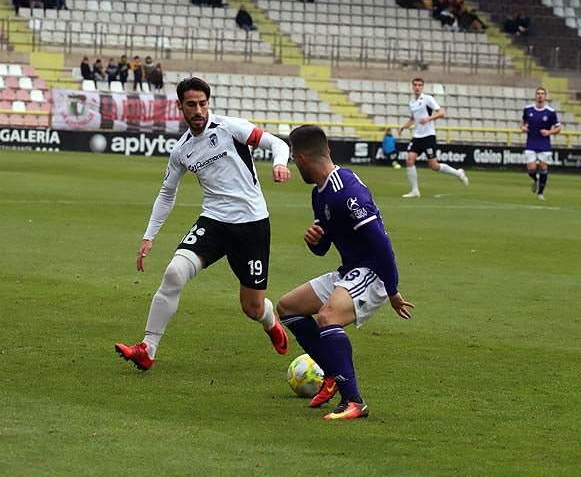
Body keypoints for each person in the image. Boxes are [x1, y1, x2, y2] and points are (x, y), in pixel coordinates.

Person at [115, 77, 292, 371]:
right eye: (191, 104)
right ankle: (148, 348)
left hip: (251, 225)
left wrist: (279, 163)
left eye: (203, 103)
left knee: (252, 307)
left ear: (208, 104)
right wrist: (149, 236)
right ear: (180, 107)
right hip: (214, 222)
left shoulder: (231, 127)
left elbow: (276, 143)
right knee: (174, 273)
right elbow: (166, 193)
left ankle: (269, 320)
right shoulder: (181, 150)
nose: (198, 110)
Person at [276, 125, 414, 420]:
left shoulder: (346, 191)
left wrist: (392, 290)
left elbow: (381, 242)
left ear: (301, 158)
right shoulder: (320, 193)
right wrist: (315, 240)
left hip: (372, 272)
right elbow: (323, 247)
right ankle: (332, 373)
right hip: (349, 270)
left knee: (328, 317)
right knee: (288, 307)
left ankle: (353, 401)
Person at [397, 77, 468, 197]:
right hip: (417, 136)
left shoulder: (428, 99)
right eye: (415, 85)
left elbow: (441, 112)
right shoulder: (412, 103)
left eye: (420, 85)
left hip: (428, 136)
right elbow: (413, 119)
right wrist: (404, 127)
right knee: (409, 159)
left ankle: (458, 173)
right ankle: (415, 191)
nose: (417, 87)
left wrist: (429, 118)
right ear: (412, 86)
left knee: (434, 166)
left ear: (422, 87)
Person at [520, 87, 561, 201]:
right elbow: (523, 122)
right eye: (538, 93)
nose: (540, 95)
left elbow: (558, 128)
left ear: (545, 96)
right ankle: (535, 179)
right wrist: (523, 128)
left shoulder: (550, 112)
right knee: (531, 168)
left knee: (543, 167)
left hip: (544, 144)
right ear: (535, 95)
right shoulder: (528, 109)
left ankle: (540, 193)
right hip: (531, 143)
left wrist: (549, 132)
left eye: (542, 94)